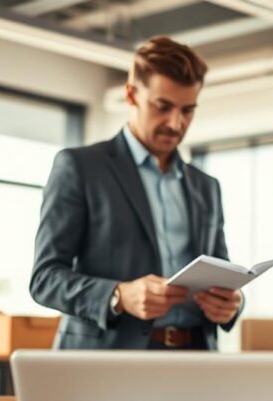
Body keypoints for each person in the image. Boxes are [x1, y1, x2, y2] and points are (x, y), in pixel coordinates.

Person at [30, 36, 242, 350]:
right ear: (132, 95)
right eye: (163, 106)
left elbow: (221, 271)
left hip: (194, 358)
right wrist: (118, 295)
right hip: (109, 360)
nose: (175, 123)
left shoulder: (206, 187)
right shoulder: (80, 167)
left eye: (188, 110)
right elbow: (44, 279)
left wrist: (232, 303)